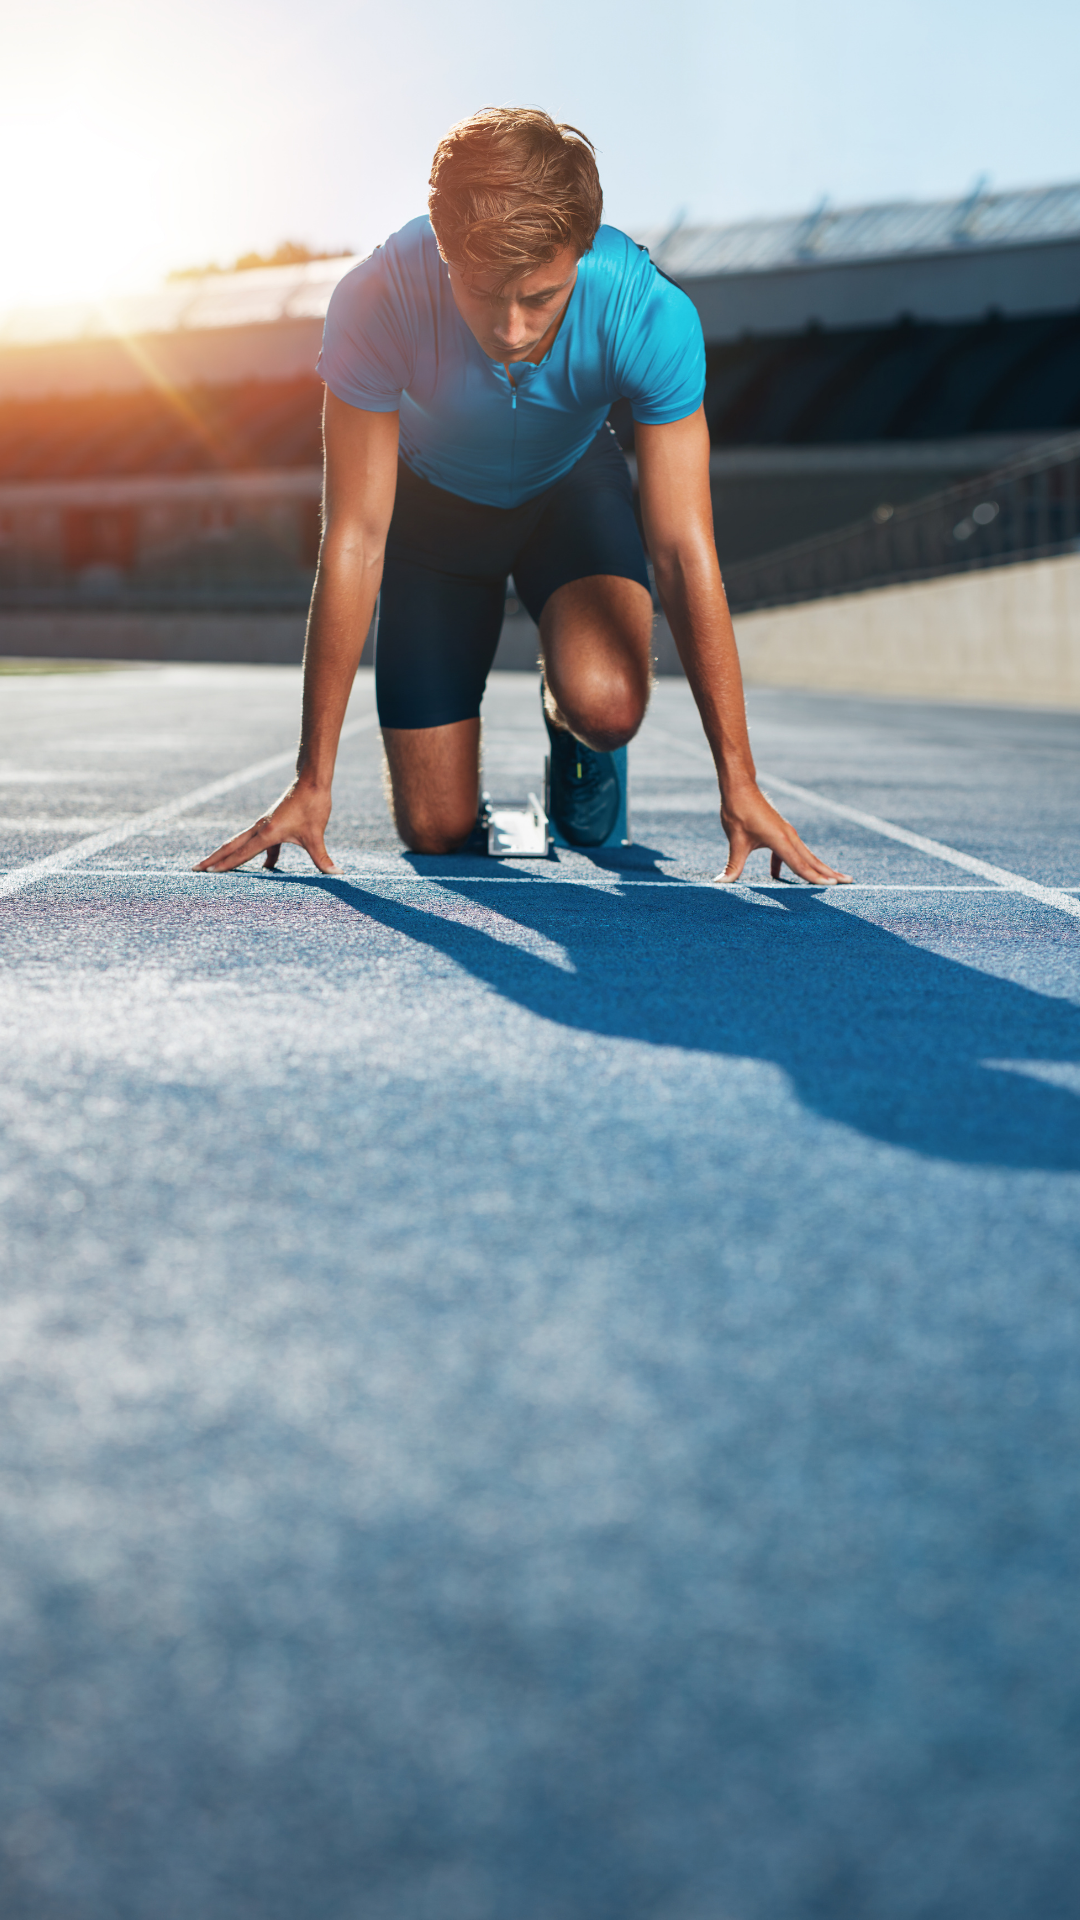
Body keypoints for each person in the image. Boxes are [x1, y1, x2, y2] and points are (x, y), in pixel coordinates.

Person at [197, 107, 849, 885]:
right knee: (435, 831)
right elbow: (355, 540)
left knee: (606, 704)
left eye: (539, 298)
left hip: (568, 493)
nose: (509, 329)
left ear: (581, 251)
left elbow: (682, 548)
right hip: (433, 517)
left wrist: (738, 784)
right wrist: (313, 780)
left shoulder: (649, 313)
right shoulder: (376, 298)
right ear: (443, 254)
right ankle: (482, 773)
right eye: (481, 293)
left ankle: (571, 724)